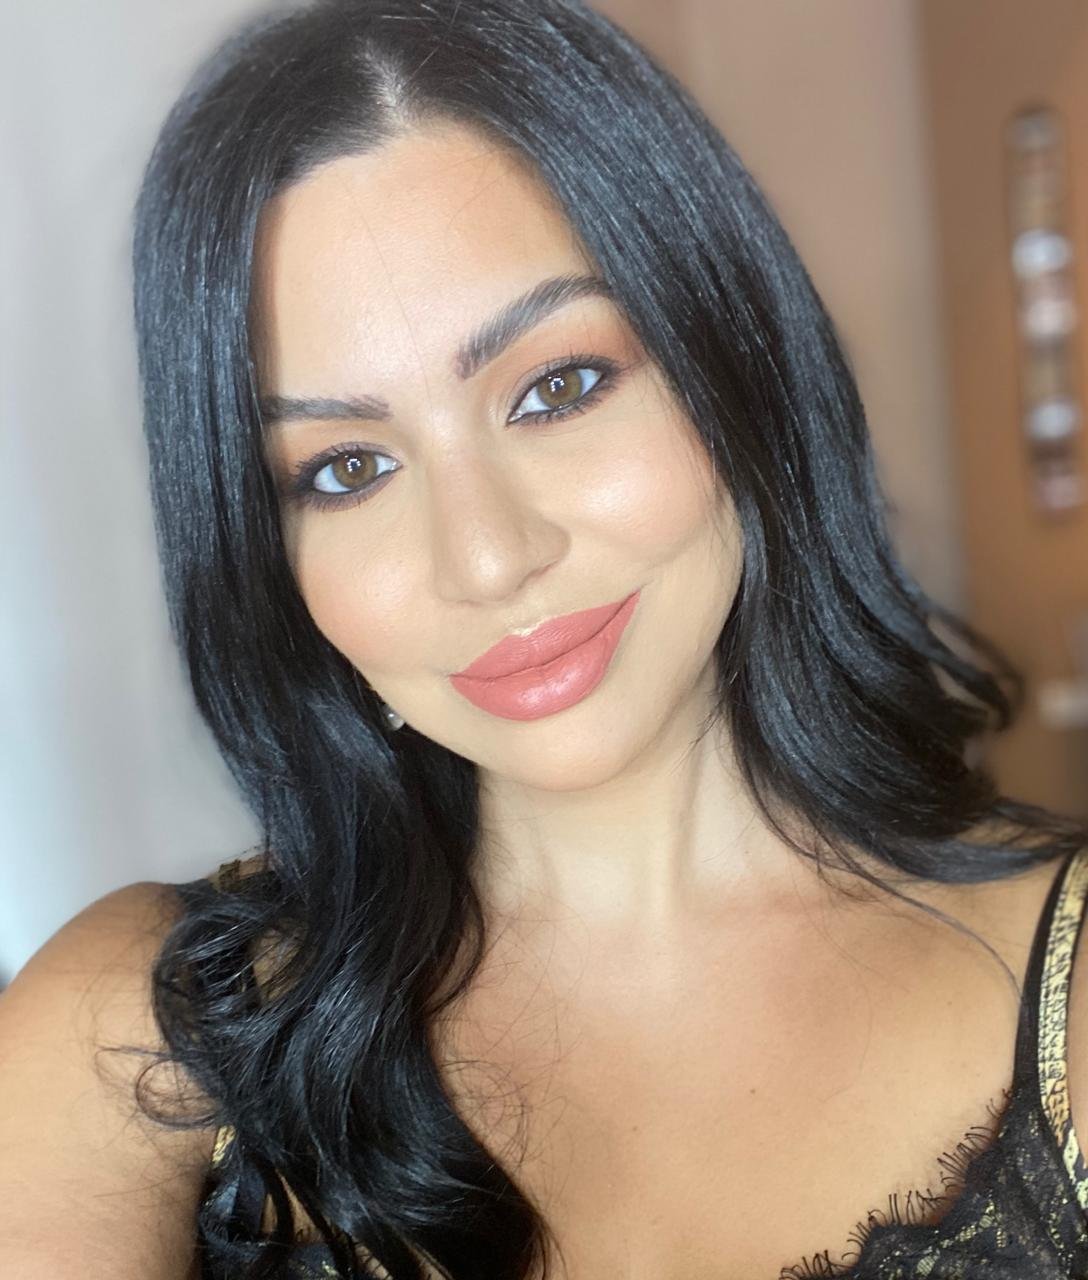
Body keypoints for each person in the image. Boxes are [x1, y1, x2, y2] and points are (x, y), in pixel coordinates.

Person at [2, 1, 1087, 1276]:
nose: (486, 556)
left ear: (732, 360)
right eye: (346, 468)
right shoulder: (132, 1023)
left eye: (556, 387)